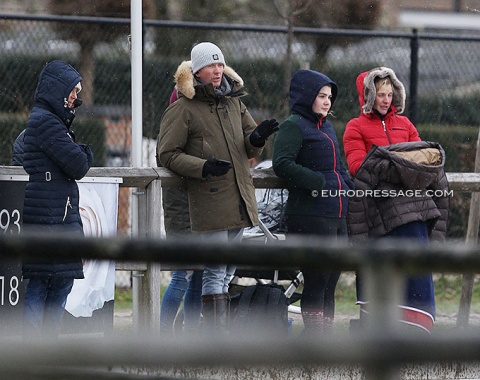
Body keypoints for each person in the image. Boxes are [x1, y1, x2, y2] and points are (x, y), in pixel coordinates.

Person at [157, 42, 278, 334]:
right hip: (209, 203)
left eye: (220, 64)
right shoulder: (183, 108)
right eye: (211, 65)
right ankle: (212, 340)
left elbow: (248, 142)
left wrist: (258, 138)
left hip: (238, 198)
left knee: (227, 271)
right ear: (197, 70)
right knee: (211, 272)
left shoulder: (235, 102)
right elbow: (167, 154)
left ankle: (212, 338)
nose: (217, 70)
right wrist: (203, 166)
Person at [343, 66, 450, 333]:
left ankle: (413, 325)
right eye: (380, 94)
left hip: (414, 206)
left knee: (414, 257)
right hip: (379, 204)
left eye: (390, 93)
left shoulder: (406, 124)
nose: (386, 99)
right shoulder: (355, 127)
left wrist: (394, 165)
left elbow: (423, 162)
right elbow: (358, 165)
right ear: (368, 95)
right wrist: (399, 167)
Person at [272, 69, 353, 335]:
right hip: (309, 216)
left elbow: (338, 167)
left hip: (335, 214)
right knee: (317, 281)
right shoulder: (293, 125)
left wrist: (347, 187)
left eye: (329, 97)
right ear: (307, 96)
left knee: (331, 280)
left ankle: (324, 339)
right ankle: (314, 342)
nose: (327, 102)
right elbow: (282, 164)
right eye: (321, 96)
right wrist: (316, 181)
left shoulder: (326, 126)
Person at [20, 60, 93, 338]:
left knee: (59, 281)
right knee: (44, 282)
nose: (76, 98)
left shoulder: (51, 121)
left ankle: (46, 345)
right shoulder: (45, 122)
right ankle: (37, 348)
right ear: (58, 90)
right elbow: (79, 164)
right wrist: (83, 150)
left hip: (57, 213)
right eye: (73, 91)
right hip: (51, 213)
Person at [159, 88, 203, 336]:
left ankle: (191, 336)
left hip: (197, 210)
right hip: (183, 212)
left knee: (197, 276)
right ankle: (163, 335)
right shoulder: (175, 128)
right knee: (182, 276)